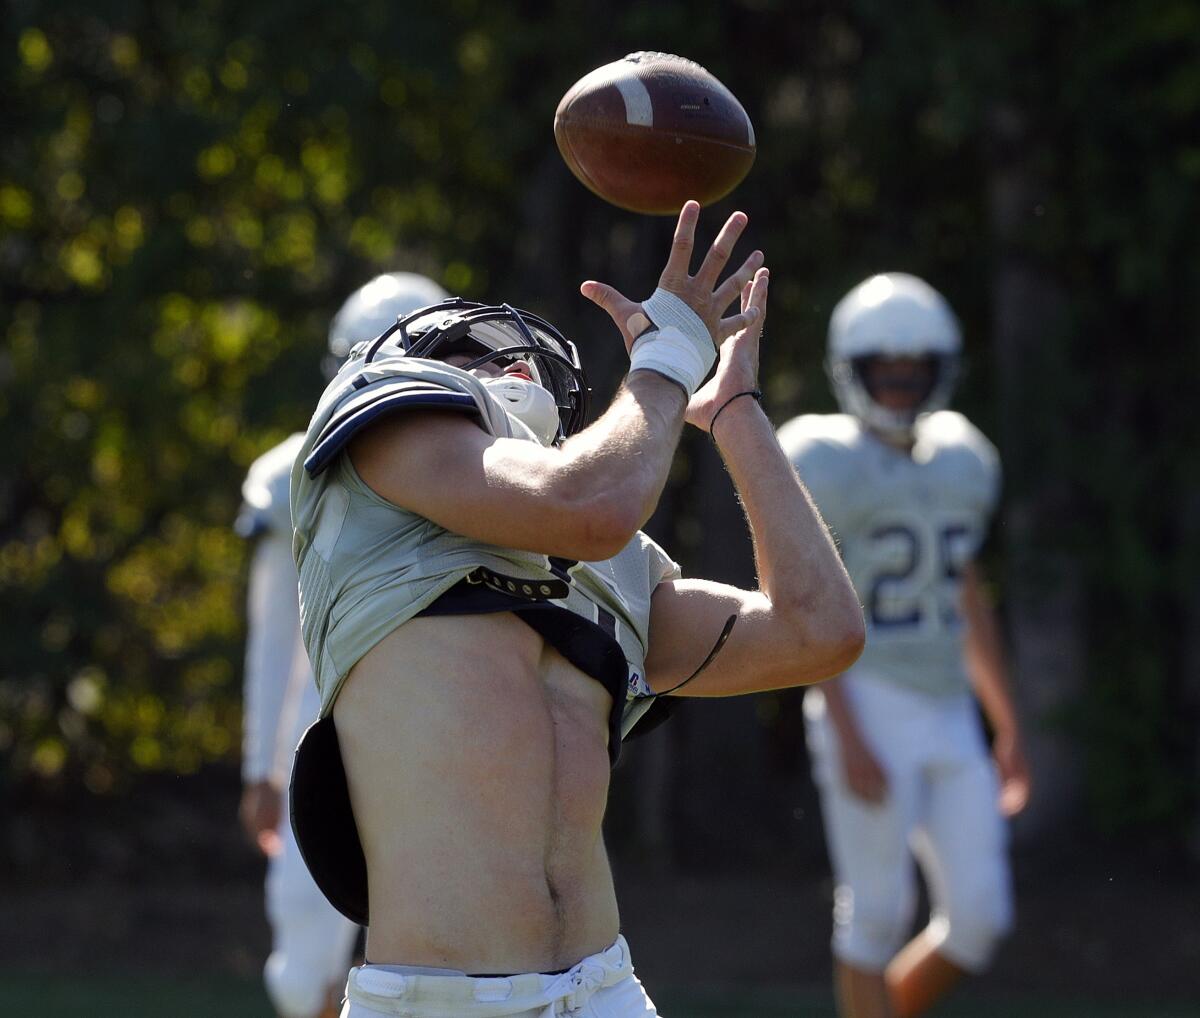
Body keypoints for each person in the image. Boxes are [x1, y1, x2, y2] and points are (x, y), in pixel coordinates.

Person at [286, 201, 866, 1017]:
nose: (510, 369)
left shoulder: (609, 564)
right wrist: (667, 354)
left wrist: (733, 411)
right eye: (468, 354)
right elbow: (593, 504)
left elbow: (821, 632)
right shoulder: (384, 455)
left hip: (605, 990)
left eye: (519, 364)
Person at [777, 273, 1033, 1018]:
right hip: (866, 692)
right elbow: (803, 607)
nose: (896, 387)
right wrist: (847, 730)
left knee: (981, 915)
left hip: (950, 703)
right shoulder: (821, 457)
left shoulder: (963, 458)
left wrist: (1006, 719)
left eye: (911, 372)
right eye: (882, 373)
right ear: (850, 370)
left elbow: (965, 591)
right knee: (877, 911)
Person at [237, 271, 448, 1018]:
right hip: (319, 737)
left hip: (437, 734)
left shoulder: (486, 466)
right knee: (306, 951)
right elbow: (273, 642)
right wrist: (260, 764)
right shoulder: (294, 473)